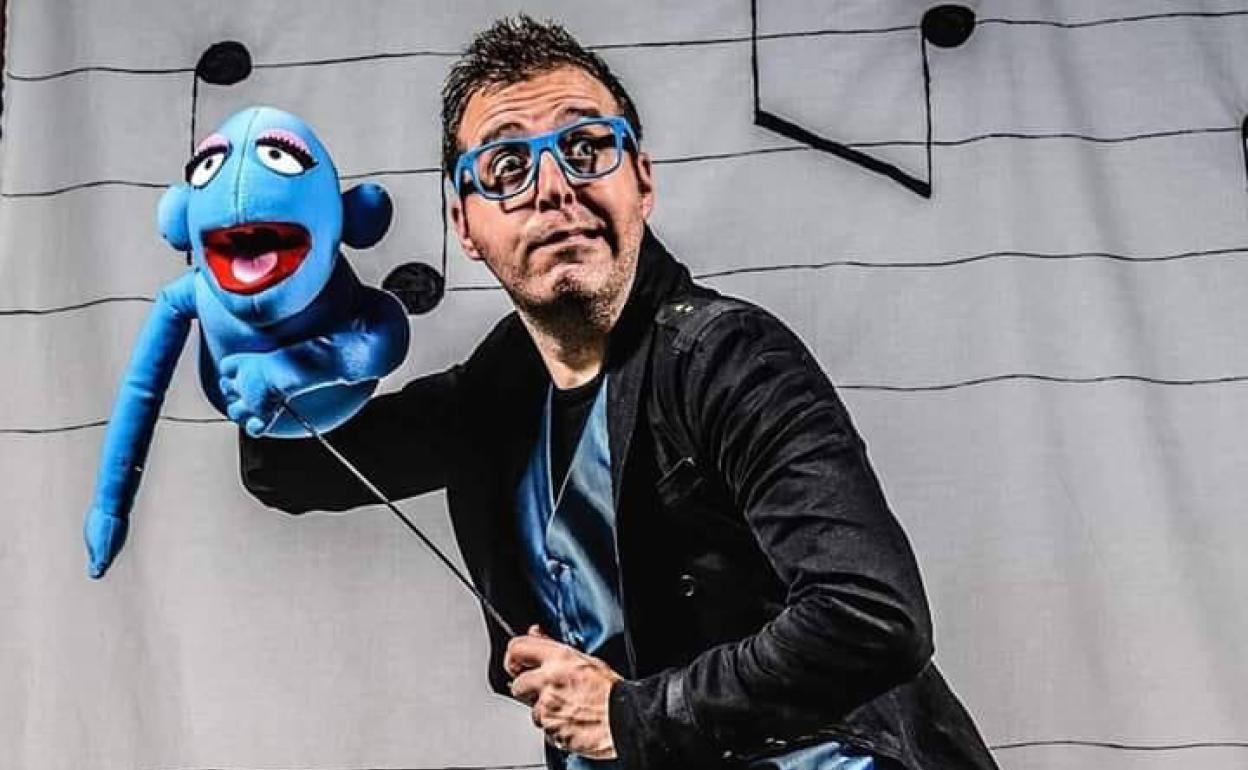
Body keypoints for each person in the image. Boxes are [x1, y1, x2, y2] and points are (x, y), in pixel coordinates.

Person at [236, 15, 999, 770]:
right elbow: (292, 467)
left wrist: (630, 717)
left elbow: (872, 615)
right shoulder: (494, 392)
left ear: (642, 181)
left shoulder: (726, 357)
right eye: (506, 165)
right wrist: (267, 302)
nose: (553, 188)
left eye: (585, 148)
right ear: (463, 224)